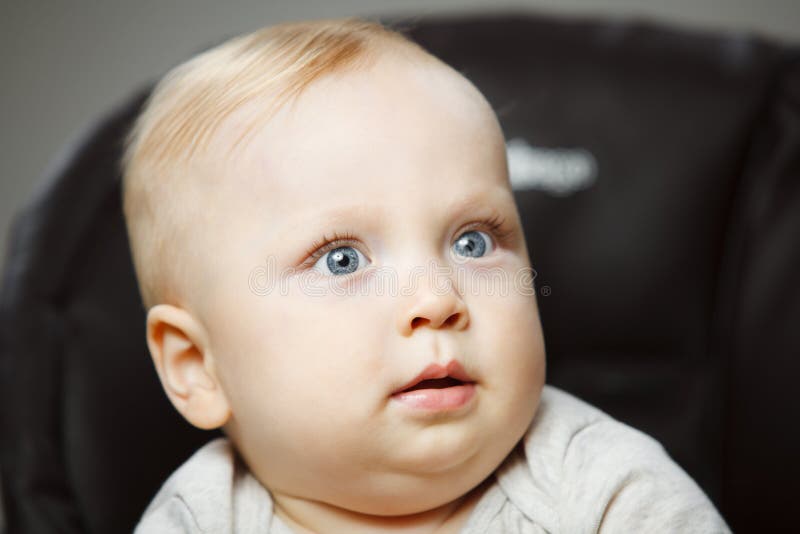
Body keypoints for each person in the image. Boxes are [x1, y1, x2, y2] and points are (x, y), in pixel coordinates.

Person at [122, 17, 730, 533]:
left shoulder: (608, 491)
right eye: (343, 259)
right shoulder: (197, 518)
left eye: (472, 241)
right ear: (197, 367)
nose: (437, 299)